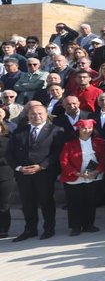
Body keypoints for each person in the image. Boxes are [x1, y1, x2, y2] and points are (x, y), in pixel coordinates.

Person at [8, 102, 64, 241]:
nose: (36, 116)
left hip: (44, 173)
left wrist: (41, 166)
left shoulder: (56, 130)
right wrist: (18, 168)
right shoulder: (19, 131)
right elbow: (9, 153)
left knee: (46, 201)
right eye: (33, 114)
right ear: (28, 115)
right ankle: (30, 229)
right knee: (27, 203)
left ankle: (49, 229)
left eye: (40, 113)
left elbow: (56, 153)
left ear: (46, 114)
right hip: (23, 174)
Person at [59, 118, 105, 235]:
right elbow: (64, 161)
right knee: (74, 202)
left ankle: (89, 225)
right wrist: (77, 173)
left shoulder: (99, 142)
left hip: (92, 176)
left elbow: (104, 158)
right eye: (84, 128)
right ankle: (75, 226)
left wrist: (97, 171)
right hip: (74, 177)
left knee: (90, 201)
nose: (87, 130)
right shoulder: (69, 144)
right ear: (78, 129)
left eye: (89, 128)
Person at [0, 121, 14, 237]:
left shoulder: (8, 141)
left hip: (4, 175)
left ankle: (3, 228)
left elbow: (10, 158)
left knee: (3, 203)